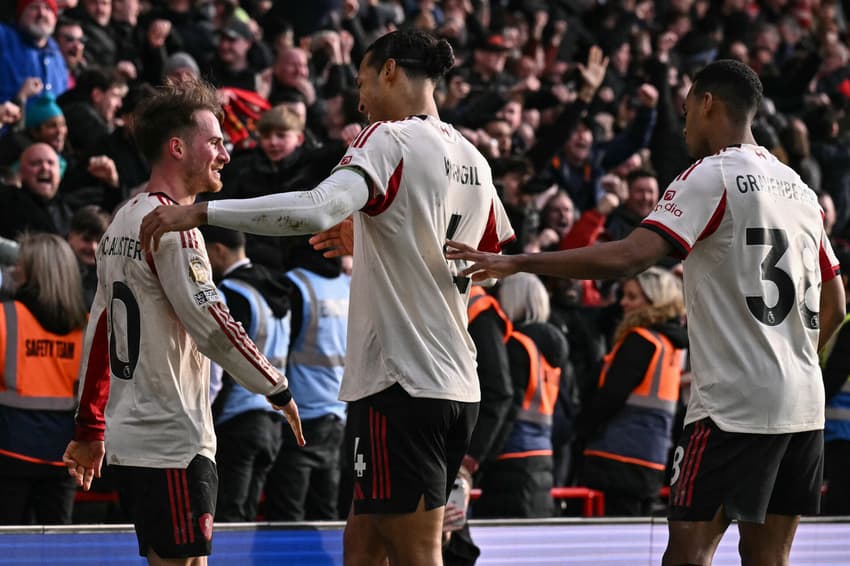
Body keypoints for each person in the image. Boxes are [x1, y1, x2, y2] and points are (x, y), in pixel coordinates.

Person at [446, 59, 846, 565]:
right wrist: (794, 360)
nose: (683, 127)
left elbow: (629, 256)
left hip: (735, 406)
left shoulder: (712, 174)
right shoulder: (803, 191)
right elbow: (836, 303)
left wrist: (519, 261)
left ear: (707, 104)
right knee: (769, 559)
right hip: (802, 403)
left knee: (687, 554)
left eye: (685, 113)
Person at [139, 30, 515, 566]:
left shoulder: (389, 139)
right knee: (362, 547)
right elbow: (490, 264)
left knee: (416, 555)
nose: (359, 101)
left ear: (388, 71)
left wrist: (201, 212)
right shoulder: (474, 157)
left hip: (401, 382)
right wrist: (379, 239)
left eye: (361, 82)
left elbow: (316, 208)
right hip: (455, 382)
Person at [61, 78, 304, 566]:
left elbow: (100, 332)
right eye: (215, 142)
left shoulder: (121, 222)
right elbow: (212, 322)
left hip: (134, 440)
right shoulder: (173, 226)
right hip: (174, 438)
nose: (225, 154)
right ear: (177, 147)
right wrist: (275, 386)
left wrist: (90, 428)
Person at [578, 266, 686, 516]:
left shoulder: (641, 340)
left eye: (632, 297)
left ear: (655, 301)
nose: (623, 303)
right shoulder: (671, 345)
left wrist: (583, 428)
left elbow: (611, 396)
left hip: (616, 453)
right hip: (652, 454)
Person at [201, 225, 291, 523]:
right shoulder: (276, 289)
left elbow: (220, 366)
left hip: (238, 419)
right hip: (273, 421)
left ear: (218, 250)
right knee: (248, 515)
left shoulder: (229, 293)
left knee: (229, 516)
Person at [0, 233, 87, 525]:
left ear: (33, 272)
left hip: (9, 450)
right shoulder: (87, 327)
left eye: (20, 264)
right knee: (56, 549)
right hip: (65, 455)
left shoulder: (4, 316)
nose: (13, 269)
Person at [265, 243, 350, 522]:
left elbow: (279, 345)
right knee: (325, 513)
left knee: (288, 515)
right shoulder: (348, 287)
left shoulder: (294, 285)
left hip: (298, 416)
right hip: (338, 415)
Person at [473, 273, 568, 519]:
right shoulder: (553, 350)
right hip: (543, 455)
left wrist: (479, 458)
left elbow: (507, 404)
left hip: (510, 457)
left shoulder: (516, 345)